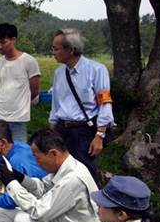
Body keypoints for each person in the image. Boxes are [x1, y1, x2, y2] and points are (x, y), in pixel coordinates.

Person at [49, 28, 114, 183]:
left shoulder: (96, 70)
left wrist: (100, 135)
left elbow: (105, 103)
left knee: (85, 173)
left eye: (56, 49)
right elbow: (56, 104)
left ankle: (91, 204)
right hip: (61, 128)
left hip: (83, 131)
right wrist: (51, 128)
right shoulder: (59, 73)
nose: (53, 52)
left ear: (71, 50)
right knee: (60, 170)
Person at [0, 23, 41, 143]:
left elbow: (34, 91)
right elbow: (0, 87)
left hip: (18, 118)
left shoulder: (28, 61)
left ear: (13, 39)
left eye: (3, 42)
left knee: (19, 152)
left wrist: (20, 104)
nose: (0, 46)